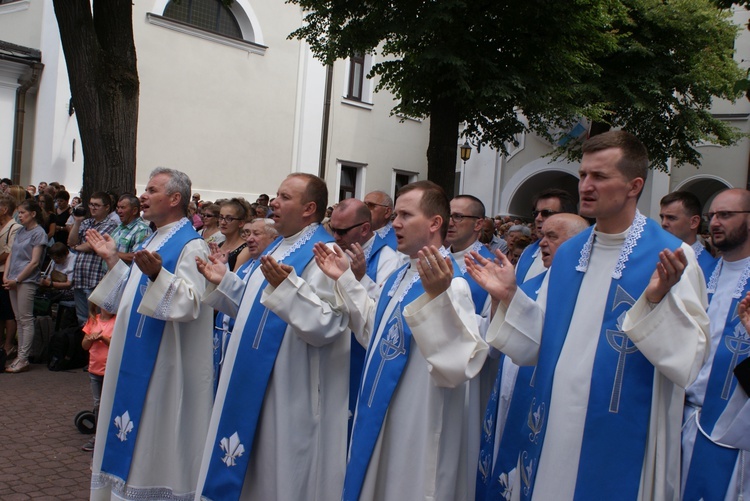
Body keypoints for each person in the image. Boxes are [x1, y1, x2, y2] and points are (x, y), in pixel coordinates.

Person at [466, 130, 709, 500]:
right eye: (583, 175)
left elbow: (688, 359)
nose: (586, 185)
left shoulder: (671, 257)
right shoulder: (569, 253)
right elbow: (536, 344)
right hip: (553, 427)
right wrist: (509, 297)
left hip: (617, 434)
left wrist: (655, 303)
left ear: (634, 186)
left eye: (600, 176)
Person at [315, 180, 489, 501]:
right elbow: (375, 333)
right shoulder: (399, 276)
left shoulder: (452, 283)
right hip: (381, 410)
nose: (394, 223)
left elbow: (459, 364)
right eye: (394, 214)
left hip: (417, 417)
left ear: (435, 223)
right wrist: (344, 277)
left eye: (406, 215)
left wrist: (439, 298)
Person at [195, 173, 350, 501]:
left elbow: (331, 325)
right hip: (253, 376)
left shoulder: (325, 252)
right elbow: (254, 309)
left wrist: (287, 290)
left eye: (284, 197)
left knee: (277, 474)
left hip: (289, 385)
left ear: (309, 208)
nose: (274, 203)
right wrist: (223, 281)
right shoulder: (280, 245)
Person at [86, 167, 213, 500]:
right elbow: (127, 297)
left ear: (174, 198)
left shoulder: (191, 246)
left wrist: (159, 275)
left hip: (164, 365)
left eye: (152, 190)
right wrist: (114, 260)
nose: (142, 195)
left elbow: (191, 304)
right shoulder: (153, 237)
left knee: (152, 439)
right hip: (133, 355)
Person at [475, 213, 589, 500]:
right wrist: (500, 297)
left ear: (580, 244)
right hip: (509, 394)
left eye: (554, 237)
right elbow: (499, 339)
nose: (543, 243)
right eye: (543, 236)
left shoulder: (585, 290)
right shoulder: (532, 282)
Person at [681, 188, 750, 500]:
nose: (715, 223)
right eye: (712, 217)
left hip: (731, 425)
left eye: (726, 215)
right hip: (683, 415)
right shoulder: (699, 272)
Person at [328, 198, 403, 439]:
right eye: (332, 229)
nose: (336, 236)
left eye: (342, 231)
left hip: (360, 353)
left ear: (364, 229)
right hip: (333, 348)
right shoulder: (333, 250)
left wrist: (360, 279)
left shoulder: (388, 259)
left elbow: (387, 309)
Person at [212, 218, 278, 391]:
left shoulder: (273, 270)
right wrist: (223, 269)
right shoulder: (245, 266)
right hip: (223, 340)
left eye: (256, 234)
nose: (249, 239)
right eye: (248, 234)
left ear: (274, 238)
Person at [4, 200, 47, 373]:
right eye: (19, 213)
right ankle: (20, 356)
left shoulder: (39, 233)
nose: (19, 216)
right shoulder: (21, 231)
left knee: (26, 318)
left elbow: (35, 261)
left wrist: (19, 279)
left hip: (26, 280)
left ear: (33, 214)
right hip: (13, 278)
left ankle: (23, 357)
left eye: (22, 213)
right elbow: (11, 254)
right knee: (19, 318)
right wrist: (7, 276)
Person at [68, 192, 119, 325]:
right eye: (91, 204)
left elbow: (93, 245)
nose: (93, 208)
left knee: (95, 320)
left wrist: (77, 246)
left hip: (95, 279)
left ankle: (95, 346)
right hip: (80, 278)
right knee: (82, 319)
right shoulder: (86, 222)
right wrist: (77, 222)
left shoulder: (111, 225)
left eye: (97, 205)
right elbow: (71, 241)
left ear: (107, 207)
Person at [515, 188, 578, 284]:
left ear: (566, 215)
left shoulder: (578, 256)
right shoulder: (528, 251)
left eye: (546, 213)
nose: (538, 218)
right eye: (536, 213)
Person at [80, 303, 115, 453]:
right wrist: (90, 338)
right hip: (94, 369)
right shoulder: (93, 320)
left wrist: (103, 338)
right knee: (98, 403)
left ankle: (108, 434)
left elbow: (117, 344)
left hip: (110, 370)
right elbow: (84, 346)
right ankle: (98, 436)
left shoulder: (118, 321)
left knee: (110, 402)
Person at [660, 190, 717, 281]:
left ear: (694, 222)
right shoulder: (658, 255)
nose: (664, 223)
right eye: (662, 217)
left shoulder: (709, 267)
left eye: (671, 218)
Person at [0, 195, 19, 360]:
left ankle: (8, 344)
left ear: (5, 209)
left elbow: (9, 252)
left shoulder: (14, 228)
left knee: (8, 311)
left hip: (5, 273)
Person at [109, 194, 152, 265]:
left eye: (122, 208)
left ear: (134, 211)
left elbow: (138, 257)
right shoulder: (119, 227)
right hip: (110, 274)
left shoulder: (142, 230)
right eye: (118, 207)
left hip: (125, 275)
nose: (119, 211)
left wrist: (112, 254)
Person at [216, 198, 252, 272]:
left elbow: (234, 280)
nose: (223, 222)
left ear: (241, 223)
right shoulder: (219, 245)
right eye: (221, 217)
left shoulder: (245, 250)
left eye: (229, 218)